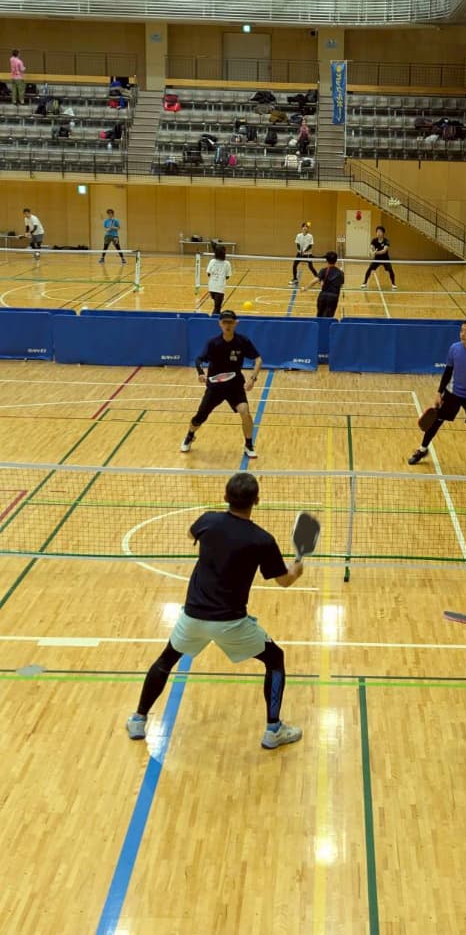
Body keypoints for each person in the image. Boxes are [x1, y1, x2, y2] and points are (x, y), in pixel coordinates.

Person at [126, 472, 304, 749]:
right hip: (231, 623)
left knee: (166, 660)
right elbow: (284, 581)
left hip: (193, 617)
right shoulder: (262, 540)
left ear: (225, 497)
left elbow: (191, 534)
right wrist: (297, 569)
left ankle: (138, 719)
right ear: (257, 500)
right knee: (275, 659)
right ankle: (273, 730)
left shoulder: (208, 520)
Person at [408, 318, 466, 475]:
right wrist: (439, 392)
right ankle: (422, 449)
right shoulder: (454, 348)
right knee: (435, 422)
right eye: (461, 330)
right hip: (452, 394)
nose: (462, 334)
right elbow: (448, 371)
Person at [180, 309, 261, 458]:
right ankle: (190, 435)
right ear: (220, 324)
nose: (227, 325)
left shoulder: (242, 341)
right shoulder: (213, 343)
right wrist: (200, 373)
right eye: (225, 322)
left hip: (235, 385)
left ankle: (249, 445)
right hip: (215, 387)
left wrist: (253, 378)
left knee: (245, 411)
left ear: (236, 323)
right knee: (200, 417)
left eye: (230, 322)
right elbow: (199, 359)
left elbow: (258, 359)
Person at [302, 250, 345, 317]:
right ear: (336, 260)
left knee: (319, 317)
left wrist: (305, 288)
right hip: (333, 298)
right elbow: (341, 284)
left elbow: (315, 281)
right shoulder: (340, 273)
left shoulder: (324, 270)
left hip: (323, 297)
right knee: (328, 318)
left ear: (326, 260)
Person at [361, 226, 397, 291]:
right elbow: (371, 248)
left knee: (390, 270)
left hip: (385, 259)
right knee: (369, 269)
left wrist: (376, 253)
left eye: (380, 232)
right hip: (377, 259)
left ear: (383, 233)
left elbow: (384, 251)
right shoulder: (374, 240)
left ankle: (393, 284)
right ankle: (364, 282)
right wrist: (371, 252)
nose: (378, 233)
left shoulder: (386, 241)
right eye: (377, 232)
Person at [206, 243, 232, 315]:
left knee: (218, 306)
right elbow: (227, 276)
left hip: (211, 287)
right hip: (219, 288)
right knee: (217, 307)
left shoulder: (212, 261)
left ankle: (217, 317)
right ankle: (213, 319)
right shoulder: (227, 263)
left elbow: (208, 273)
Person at [290, 221, 318, 285]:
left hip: (308, 254)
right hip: (299, 253)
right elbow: (297, 244)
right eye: (304, 226)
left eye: (306, 227)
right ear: (302, 228)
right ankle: (295, 279)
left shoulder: (310, 236)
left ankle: (318, 278)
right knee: (294, 265)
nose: (305, 228)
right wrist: (300, 251)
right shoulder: (298, 235)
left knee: (311, 267)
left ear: (308, 228)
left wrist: (304, 251)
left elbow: (310, 245)